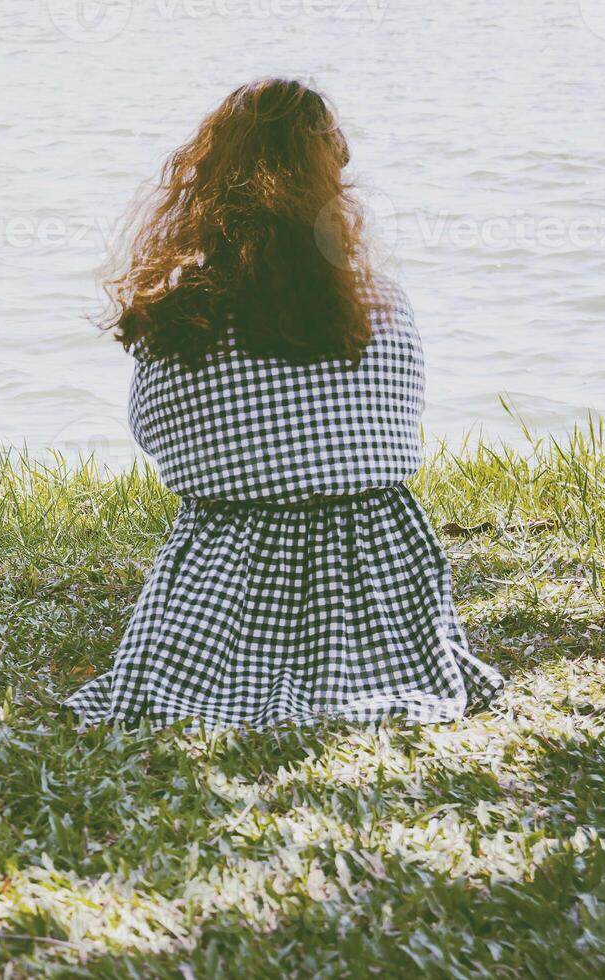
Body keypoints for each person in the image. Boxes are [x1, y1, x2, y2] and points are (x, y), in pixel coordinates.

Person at [66, 78, 503, 728]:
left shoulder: (184, 309)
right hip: (374, 556)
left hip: (225, 563)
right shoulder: (379, 302)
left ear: (208, 174)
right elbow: (395, 428)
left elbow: (155, 432)